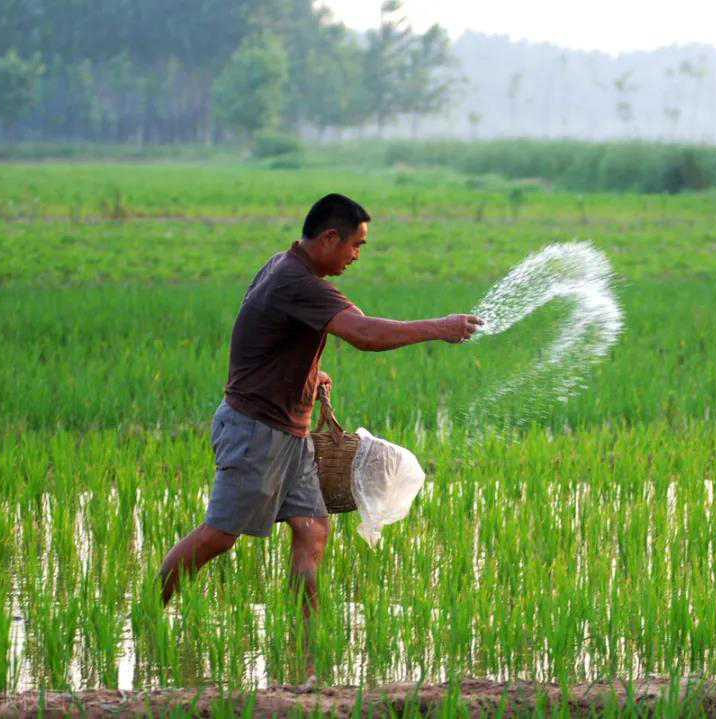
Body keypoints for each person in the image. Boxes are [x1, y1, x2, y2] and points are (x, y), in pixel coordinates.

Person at [157, 193, 481, 676]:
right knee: (219, 535)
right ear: (329, 238)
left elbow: (264, 338)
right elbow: (365, 334)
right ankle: (148, 611)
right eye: (356, 245)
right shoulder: (297, 281)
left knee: (313, 529)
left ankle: (304, 652)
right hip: (255, 430)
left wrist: (310, 374)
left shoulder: (287, 267)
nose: (356, 256)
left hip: (292, 432)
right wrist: (440, 327)